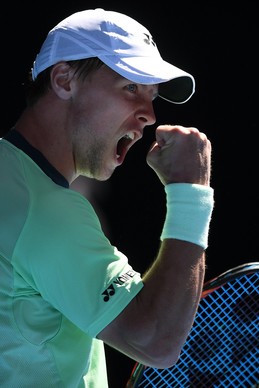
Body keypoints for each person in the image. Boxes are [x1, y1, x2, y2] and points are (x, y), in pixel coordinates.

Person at [0, 8, 214, 387]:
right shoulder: (47, 211)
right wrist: (190, 192)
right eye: (130, 87)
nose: (148, 114)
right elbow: (156, 341)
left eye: (152, 96)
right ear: (64, 80)